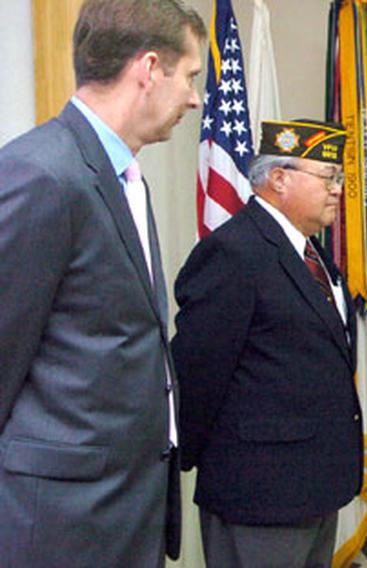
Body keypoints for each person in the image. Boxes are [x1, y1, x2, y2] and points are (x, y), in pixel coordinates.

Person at [0, 1, 204, 566]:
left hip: (125, 505)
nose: (193, 98)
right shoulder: (42, 173)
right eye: (189, 76)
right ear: (149, 68)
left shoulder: (123, 175)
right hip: (62, 521)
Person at [172, 118, 362, 568]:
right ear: (279, 178)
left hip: (313, 485)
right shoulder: (235, 252)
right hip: (258, 492)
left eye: (339, 178)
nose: (338, 189)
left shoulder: (310, 252)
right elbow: (198, 371)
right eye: (328, 177)